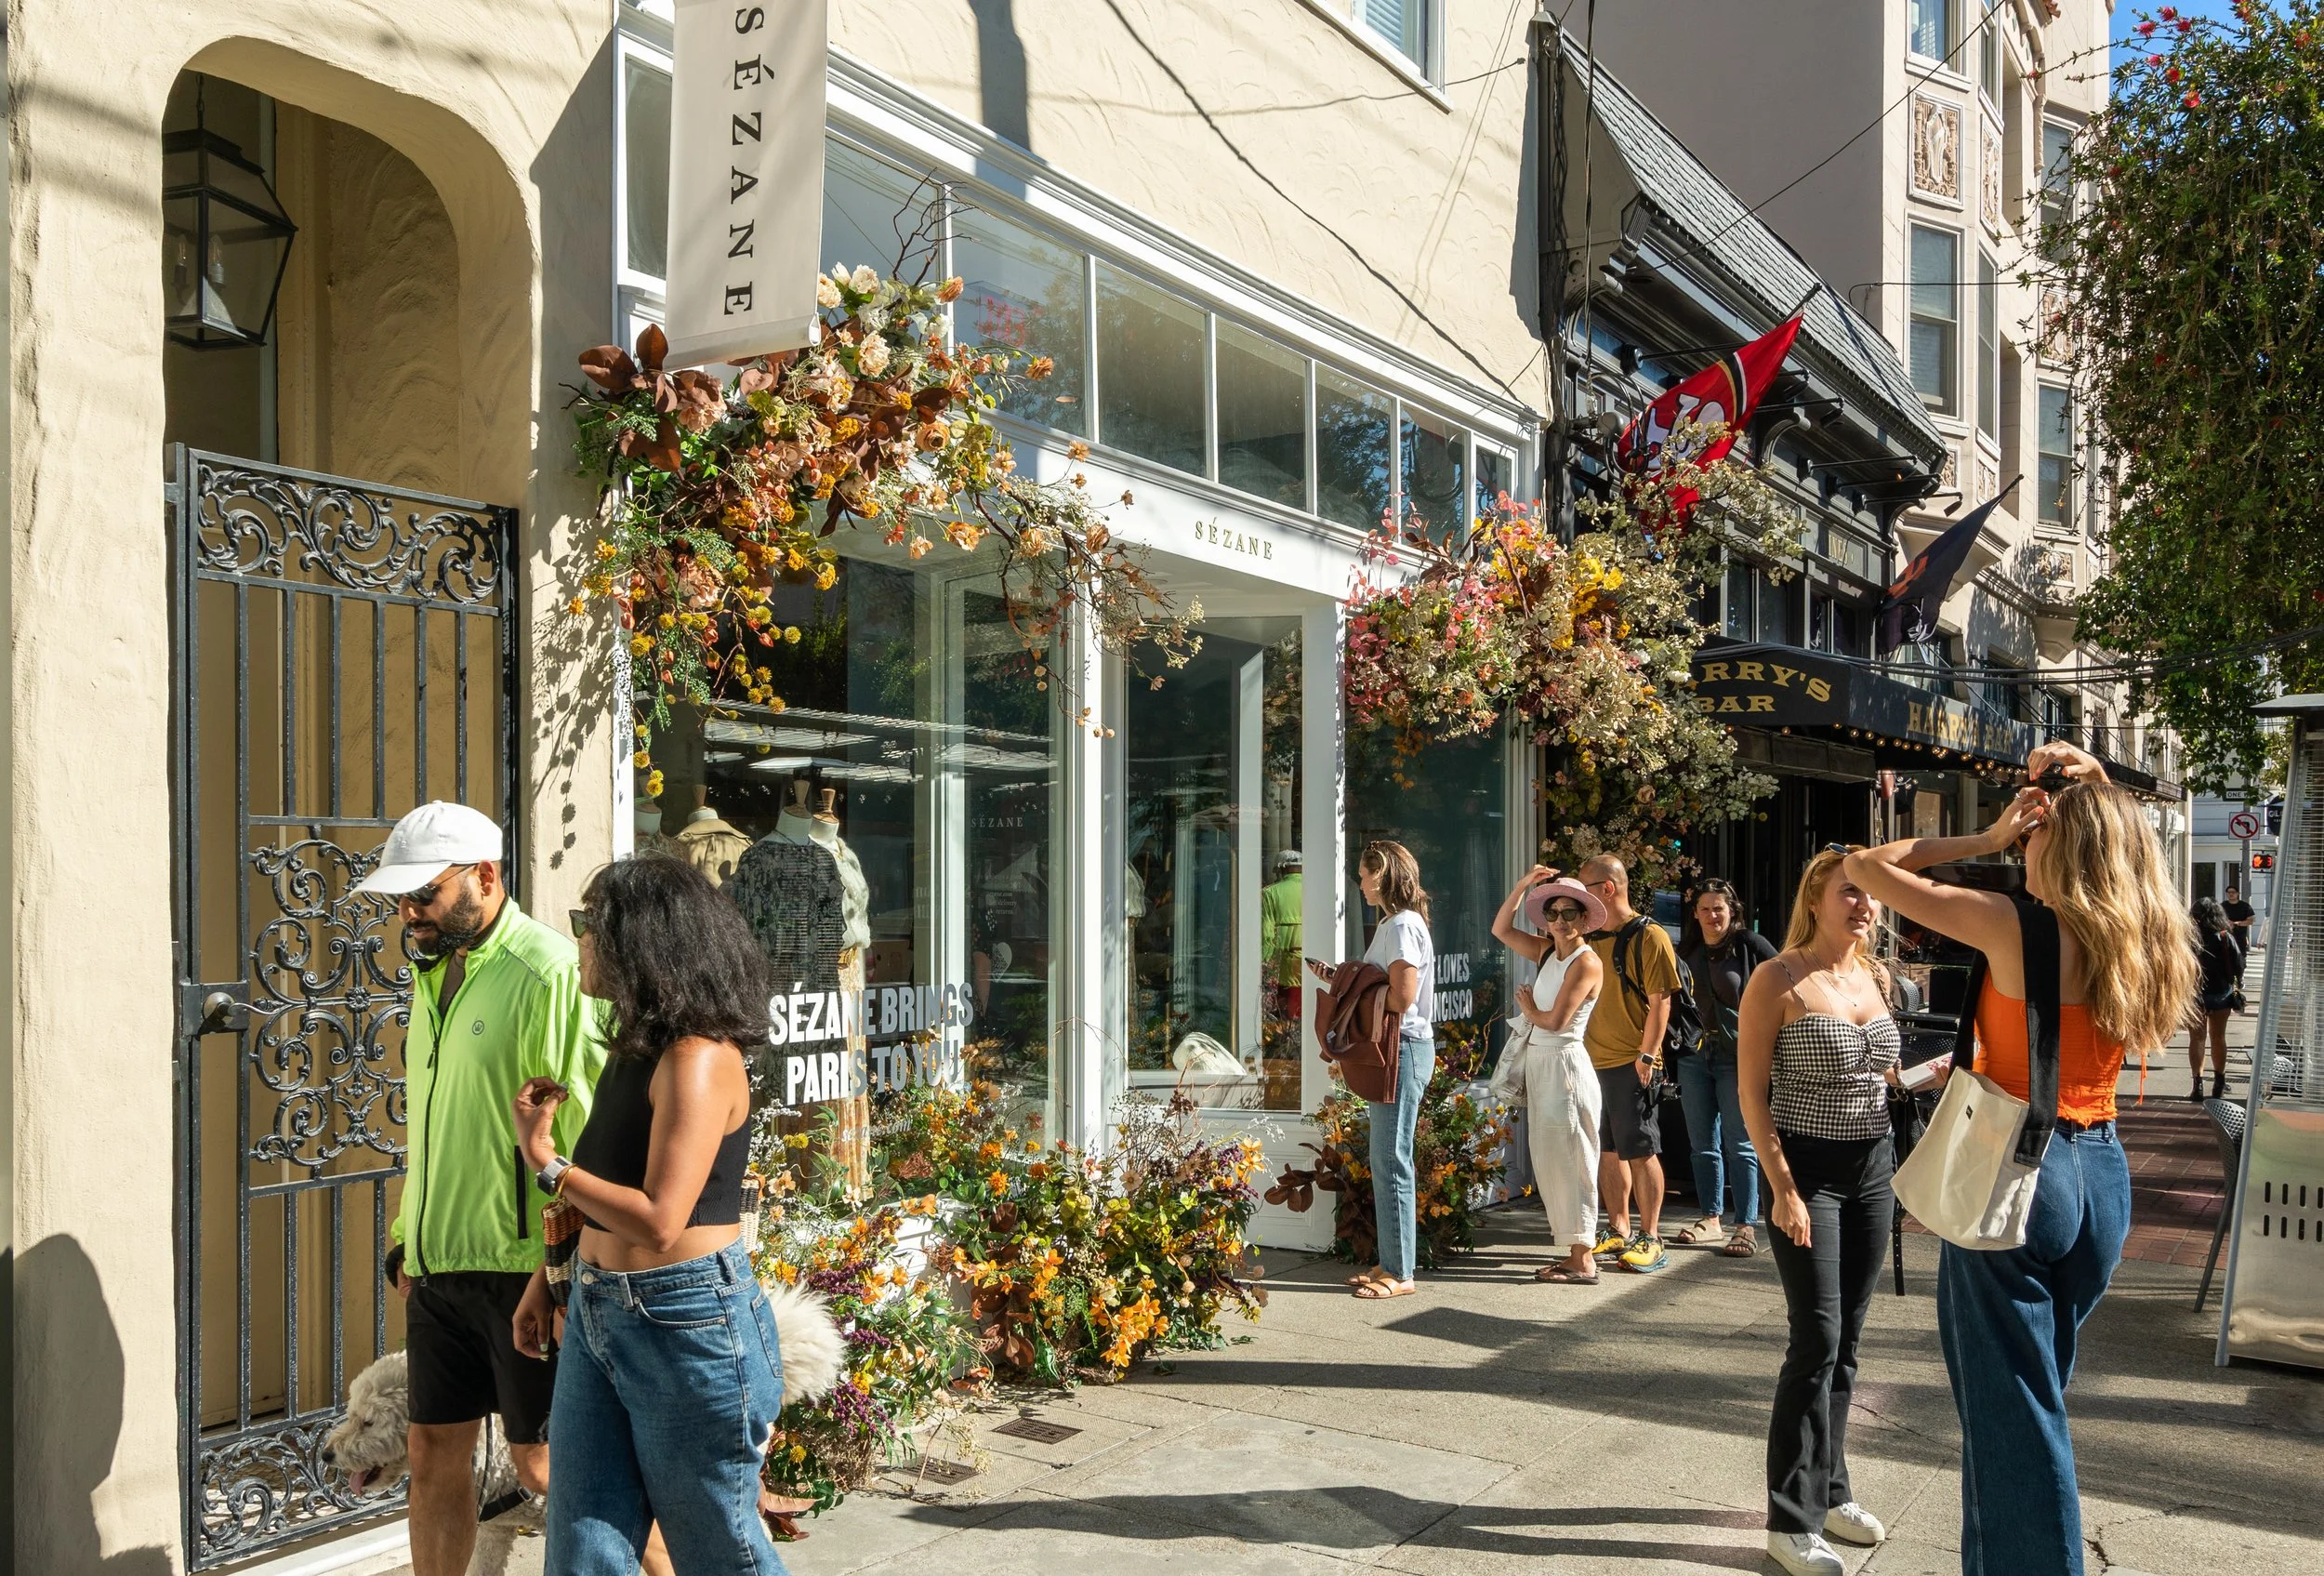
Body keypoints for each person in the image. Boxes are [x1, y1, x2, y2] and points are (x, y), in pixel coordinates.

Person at [1842, 742, 2195, 1576]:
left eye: (2034, 834)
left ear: (2054, 841)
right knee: (2027, 1406)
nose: (2021, 843)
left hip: (2017, 1176)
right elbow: (2125, 848)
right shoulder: (2142, 928)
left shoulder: (2011, 924)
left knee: (2016, 1424)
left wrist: (1983, 835)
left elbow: (1863, 863)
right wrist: (2090, 796)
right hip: (2101, 1179)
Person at [512, 854, 790, 1576]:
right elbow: (603, 1194)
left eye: (588, 924)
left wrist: (545, 1160)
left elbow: (660, 1218)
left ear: (641, 940)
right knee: (582, 1551)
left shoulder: (697, 1058)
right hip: (603, 1313)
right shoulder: (638, 1049)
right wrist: (548, 1279)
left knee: (716, 1550)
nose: (578, 938)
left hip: (688, 1322)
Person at [351, 803, 607, 1576]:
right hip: (438, 1269)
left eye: (422, 894)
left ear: (485, 877)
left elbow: (590, 1131)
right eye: (401, 898)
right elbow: (433, 1125)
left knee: (544, 1463)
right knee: (432, 1450)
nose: (408, 913)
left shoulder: (550, 972)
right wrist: (406, 1237)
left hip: (525, 1269)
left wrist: (563, 1269)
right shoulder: (434, 975)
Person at [1736, 848, 1900, 1576]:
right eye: (1850, 892)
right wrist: (1782, 1185)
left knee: (1850, 1340)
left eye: (1870, 895)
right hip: (1808, 1169)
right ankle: (1789, 1519)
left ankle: (1832, 1491)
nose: (1863, 905)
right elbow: (1750, 1094)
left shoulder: (1874, 973)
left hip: (1874, 1168)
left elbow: (1882, 1074)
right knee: (1817, 1338)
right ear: (1817, 897)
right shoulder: (1778, 978)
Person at [1316, 841, 1435, 1300]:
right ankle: (1391, 1261)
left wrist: (1355, 986)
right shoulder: (1393, 923)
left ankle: (1401, 1273)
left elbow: (1402, 999)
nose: (1360, 882)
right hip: (1398, 1050)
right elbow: (1384, 987)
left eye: (1365, 874)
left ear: (1383, 876)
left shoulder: (1403, 924)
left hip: (1402, 1050)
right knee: (1386, 1160)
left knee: (1392, 1161)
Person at [1491, 867, 1608, 1284]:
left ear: (1584, 918)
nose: (1560, 920)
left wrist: (1527, 1008)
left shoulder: (1587, 962)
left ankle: (1584, 1259)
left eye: (1569, 912)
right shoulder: (1546, 952)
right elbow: (1500, 928)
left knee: (1575, 1158)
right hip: (1543, 1065)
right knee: (1550, 1159)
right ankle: (1574, 1253)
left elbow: (1556, 1021)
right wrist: (1524, 887)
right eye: (1554, 911)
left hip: (1565, 1066)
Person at [1578, 854, 1674, 1274]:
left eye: (1585, 891)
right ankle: (1618, 1227)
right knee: (1608, 1149)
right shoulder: (1591, 937)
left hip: (1632, 1062)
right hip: (1592, 1062)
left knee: (1640, 1148)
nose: (1580, 901)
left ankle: (1651, 1236)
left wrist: (1648, 1055)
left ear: (1608, 889)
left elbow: (1662, 1001)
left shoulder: (1649, 936)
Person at [1674, 880, 1776, 1256]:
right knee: (1702, 1144)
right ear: (1695, 914)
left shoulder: (1750, 945)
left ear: (1732, 910)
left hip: (1739, 1056)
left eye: (1719, 908)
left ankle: (1746, 1224)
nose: (1712, 915)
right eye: (1705, 909)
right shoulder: (1687, 948)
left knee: (1741, 1143)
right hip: (1695, 1054)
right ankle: (1710, 1219)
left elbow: (1787, 981)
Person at [2189, 897, 2238, 1102]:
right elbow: (2238, 963)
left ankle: (2197, 1085)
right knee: (2218, 1037)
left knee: (2197, 1038)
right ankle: (2219, 1082)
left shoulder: (2189, 937)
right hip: (2221, 992)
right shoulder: (2225, 936)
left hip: (2194, 992)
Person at [2222, 883, 2256, 987]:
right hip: (2226, 936)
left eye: (2233, 892)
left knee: (2241, 958)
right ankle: (2228, 979)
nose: (2231, 894)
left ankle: (2240, 978)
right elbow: (2218, 919)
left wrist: (2239, 923)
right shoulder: (2223, 906)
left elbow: (2251, 920)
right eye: (2229, 892)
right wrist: (2228, 923)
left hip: (2240, 937)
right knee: (2226, 957)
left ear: (2237, 894)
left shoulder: (2244, 906)